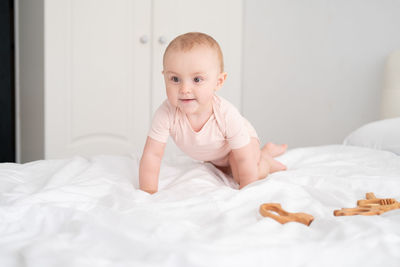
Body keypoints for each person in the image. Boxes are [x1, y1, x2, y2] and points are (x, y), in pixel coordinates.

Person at [139, 32, 287, 194]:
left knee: (239, 172)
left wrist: (246, 192)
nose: (184, 89)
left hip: (241, 145)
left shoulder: (226, 114)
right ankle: (265, 152)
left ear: (218, 82)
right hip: (215, 156)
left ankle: (264, 159)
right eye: (175, 79)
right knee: (223, 170)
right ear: (165, 78)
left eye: (197, 80)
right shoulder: (166, 113)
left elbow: (244, 159)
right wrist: (148, 192)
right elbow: (152, 155)